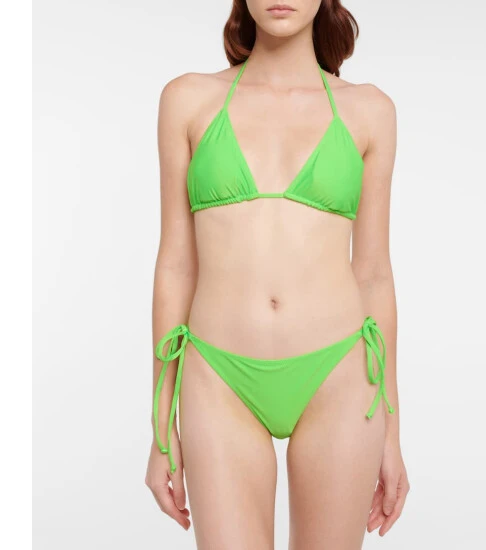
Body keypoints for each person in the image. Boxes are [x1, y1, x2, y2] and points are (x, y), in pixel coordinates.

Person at [145, 1, 409, 548]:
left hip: (339, 375)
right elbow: (175, 264)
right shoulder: (187, 100)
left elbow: (374, 274)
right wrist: (161, 428)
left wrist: (392, 430)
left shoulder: (369, 110)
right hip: (218, 376)